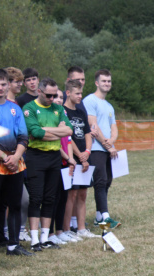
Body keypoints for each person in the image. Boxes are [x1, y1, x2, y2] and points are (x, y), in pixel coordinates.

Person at [22, 77, 73, 251]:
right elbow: (35, 132)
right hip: (36, 156)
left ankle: (45, 237)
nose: (52, 99)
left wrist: (47, 131)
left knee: (50, 198)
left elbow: (69, 130)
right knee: (36, 198)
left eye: (54, 95)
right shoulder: (29, 108)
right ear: (39, 92)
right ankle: (34, 239)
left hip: (54, 157)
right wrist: (56, 132)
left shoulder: (58, 109)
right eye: (49, 96)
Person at [0, 68, 32, 256]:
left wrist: (16, 157)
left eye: (3, 84)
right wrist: (3, 157)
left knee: (15, 204)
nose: (0, 88)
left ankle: (13, 245)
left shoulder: (15, 108)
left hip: (16, 163)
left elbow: (24, 136)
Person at [83, 69, 120, 229]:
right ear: (97, 83)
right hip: (96, 147)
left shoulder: (109, 106)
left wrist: (111, 143)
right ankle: (105, 217)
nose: (107, 84)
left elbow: (114, 128)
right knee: (100, 181)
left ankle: (99, 215)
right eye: (104, 81)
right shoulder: (90, 100)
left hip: (107, 149)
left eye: (109, 81)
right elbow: (93, 126)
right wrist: (107, 144)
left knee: (107, 181)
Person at [62, 80, 98, 240]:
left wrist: (87, 152)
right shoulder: (62, 112)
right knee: (72, 194)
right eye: (77, 93)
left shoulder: (81, 112)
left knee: (83, 194)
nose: (80, 96)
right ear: (68, 93)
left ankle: (82, 228)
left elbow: (87, 134)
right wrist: (79, 156)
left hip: (84, 158)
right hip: (71, 159)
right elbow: (68, 137)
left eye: (81, 93)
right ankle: (66, 228)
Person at [48, 88, 79, 245]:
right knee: (53, 198)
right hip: (56, 161)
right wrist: (67, 158)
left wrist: (71, 160)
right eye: (55, 97)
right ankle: (50, 232)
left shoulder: (63, 115)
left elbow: (68, 140)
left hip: (67, 162)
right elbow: (54, 141)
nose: (59, 100)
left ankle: (60, 231)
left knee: (63, 197)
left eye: (61, 97)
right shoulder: (49, 116)